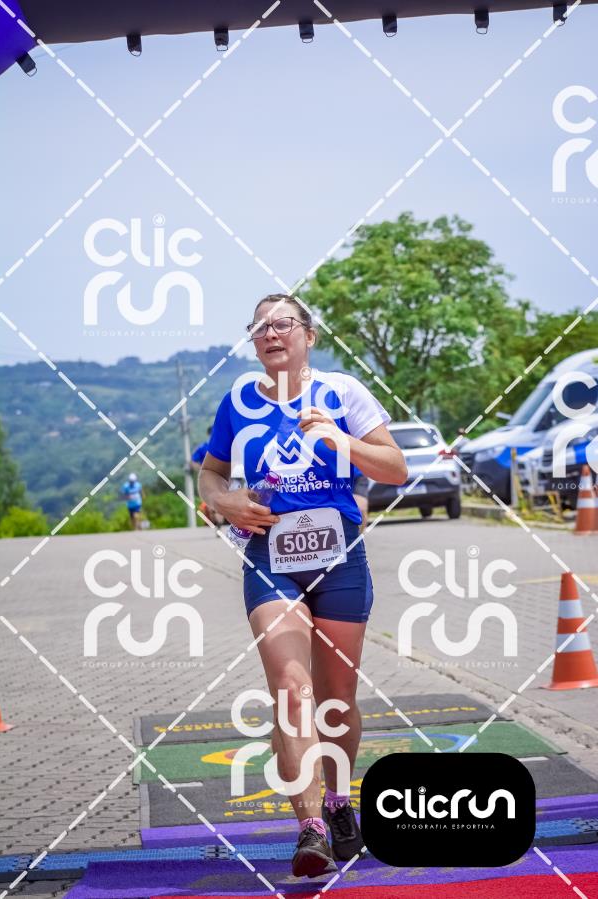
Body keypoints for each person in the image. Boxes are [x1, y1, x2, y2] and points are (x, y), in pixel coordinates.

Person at [198, 293, 407, 878]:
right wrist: (225, 501)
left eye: (282, 324)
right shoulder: (238, 401)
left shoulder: (343, 393)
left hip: (339, 557)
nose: (270, 334)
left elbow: (396, 469)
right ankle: (310, 828)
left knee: (337, 697)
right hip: (270, 556)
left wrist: (342, 441)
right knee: (292, 691)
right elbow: (211, 473)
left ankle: (339, 803)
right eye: (259, 327)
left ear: (309, 336)